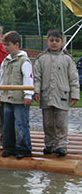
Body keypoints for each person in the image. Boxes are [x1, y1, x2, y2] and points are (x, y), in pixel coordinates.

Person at [34, 29, 79, 157]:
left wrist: (75, 94)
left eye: (57, 41)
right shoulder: (41, 59)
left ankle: (61, 145)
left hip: (62, 95)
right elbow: (37, 77)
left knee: (61, 122)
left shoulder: (67, 59)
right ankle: (50, 144)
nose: (54, 43)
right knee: (48, 122)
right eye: (52, 40)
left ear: (62, 42)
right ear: (47, 41)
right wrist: (36, 91)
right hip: (46, 94)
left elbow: (74, 78)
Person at [0, 31, 34, 160]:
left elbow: (28, 79)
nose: (5, 47)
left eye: (8, 44)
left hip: (19, 99)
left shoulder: (24, 61)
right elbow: (2, 78)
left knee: (21, 124)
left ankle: (23, 148)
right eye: (4, 44)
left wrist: (28, 95)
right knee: (7, 124)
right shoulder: (5, 61)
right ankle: (9, 147)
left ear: (16, 44)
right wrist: (0, 93)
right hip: (7, 98)